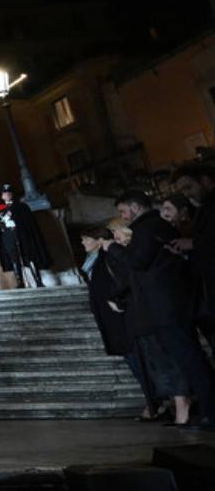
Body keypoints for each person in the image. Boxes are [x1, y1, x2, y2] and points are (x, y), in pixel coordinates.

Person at [107, 190, 213, 429]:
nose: (123, 217)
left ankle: (209, 412)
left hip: (170, 308)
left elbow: (137, 262)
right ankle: (208, 411)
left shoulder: (149, 227)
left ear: (135, 207)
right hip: (166, 307)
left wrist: (113, 248)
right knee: (189, 359)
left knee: (191, 359)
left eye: (124, 211)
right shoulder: (151, 228)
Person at [79, 226, 155, 419]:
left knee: (138, 361)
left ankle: (155, 403)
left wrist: (118, 302)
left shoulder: (108, 258)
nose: (83, 243)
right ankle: (154, 402)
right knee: (133, 361)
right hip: (110, 318)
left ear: (98, 240)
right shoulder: (94, 262)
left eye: (86, 239)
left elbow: (125, 281)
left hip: (121, 318)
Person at [168, 161, 215, 355]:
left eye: (189, 187)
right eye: (183, 191)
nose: (187, 194)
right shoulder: (204, 207)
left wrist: (194, 244)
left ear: (205, 181)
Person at [0, 184, 52, 288]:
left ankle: (38, 281)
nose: (7, 195)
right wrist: (5, 224)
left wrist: (17, 223)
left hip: (23, 236)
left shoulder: (22, 207)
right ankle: (20, 282)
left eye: (9, 193)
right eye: (5, 193)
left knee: (30, 257)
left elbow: (29, 222)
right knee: (14, 259)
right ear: (2, 196)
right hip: (9, 237)